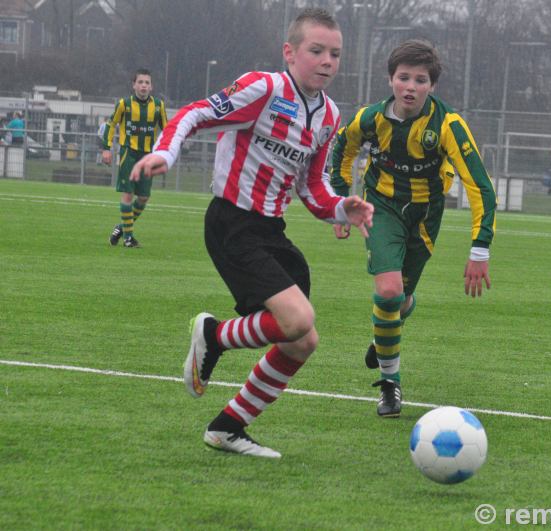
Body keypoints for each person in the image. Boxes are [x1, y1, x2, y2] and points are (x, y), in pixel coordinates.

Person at [130, 8, 373, 458]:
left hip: (271, 232)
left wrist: (343, 208)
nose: (327, 61)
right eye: (316, 50)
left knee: (303, 339)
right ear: (290, 52)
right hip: (231, 224)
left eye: (335, 54)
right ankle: (214, 335)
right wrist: (167, 153)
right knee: (297, 320)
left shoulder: (329, 115)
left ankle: (227, 427)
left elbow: (312, 186)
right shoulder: (264, 87)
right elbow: (195, 113)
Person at [330, 39, 496, 418]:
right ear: (391, 79)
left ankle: (386, 333)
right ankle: (390, 385)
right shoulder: (369, 118)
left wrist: (479, 249)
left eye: (420, 80)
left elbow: (480, 187)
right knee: (388, 293)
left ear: (431, 86)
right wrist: (340, 203)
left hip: (424, 218)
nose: (410, 86)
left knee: (400, 302)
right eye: (403, 77)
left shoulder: (448, 125)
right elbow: (342, 149)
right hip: (382, 208)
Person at [101, 69, 168, 248]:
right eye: (140, 82)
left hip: (147, 156)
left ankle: (122, 227)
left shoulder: (159, 106)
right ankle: (128, 238)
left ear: (151, 86)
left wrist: (168, 152)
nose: (143, 85)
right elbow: (111, 124)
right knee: (128, 194)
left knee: (144, 197)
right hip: (128, 154)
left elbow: (167, 130)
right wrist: (106, 149)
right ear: (134, 85)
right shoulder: (124, 104)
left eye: (147, 82)